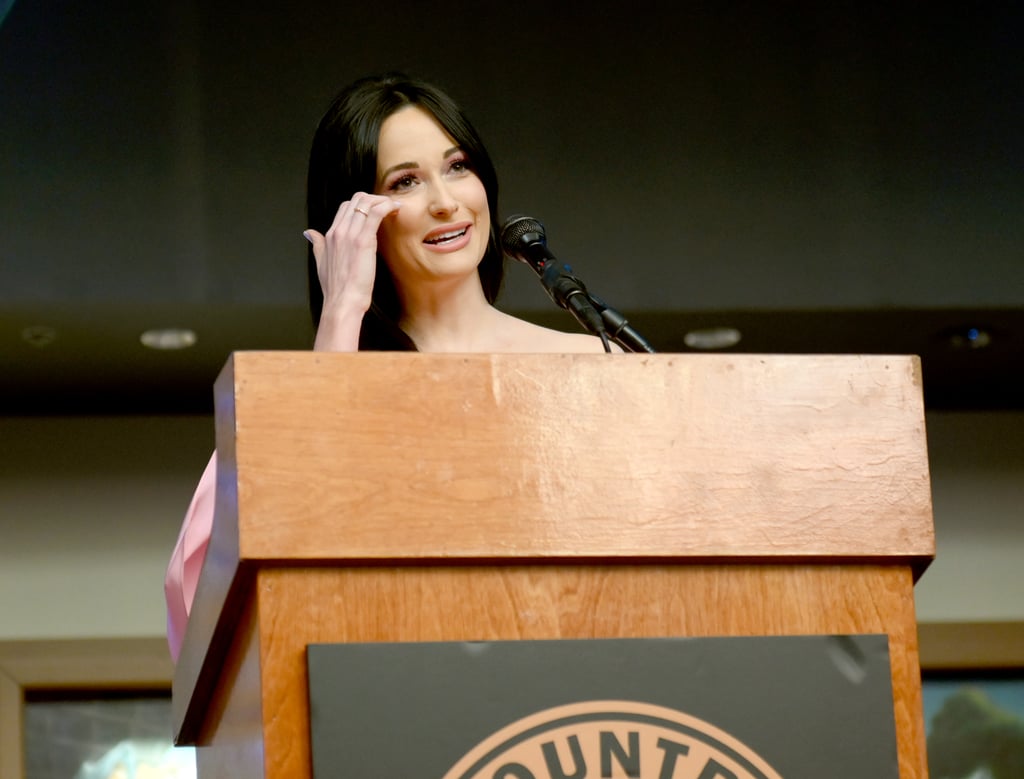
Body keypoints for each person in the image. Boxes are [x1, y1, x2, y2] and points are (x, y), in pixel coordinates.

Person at [164, 73, 615, 661]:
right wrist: (341, 319)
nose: (445, 201)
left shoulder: (602, 365)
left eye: (457, 167)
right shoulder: (292, 414)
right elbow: (225, 610)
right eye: (405, 181)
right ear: (356, 217)